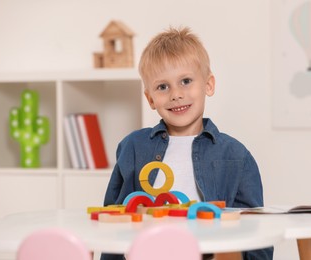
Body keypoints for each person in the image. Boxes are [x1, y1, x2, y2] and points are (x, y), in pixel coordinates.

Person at [101, 27, 273, 260]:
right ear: (150, 98)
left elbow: (256, 234)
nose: (175, 94)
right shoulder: (132, 147)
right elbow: (113, 222)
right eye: (163, 87)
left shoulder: (236, 155)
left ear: (208, 85)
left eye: (185, 81)